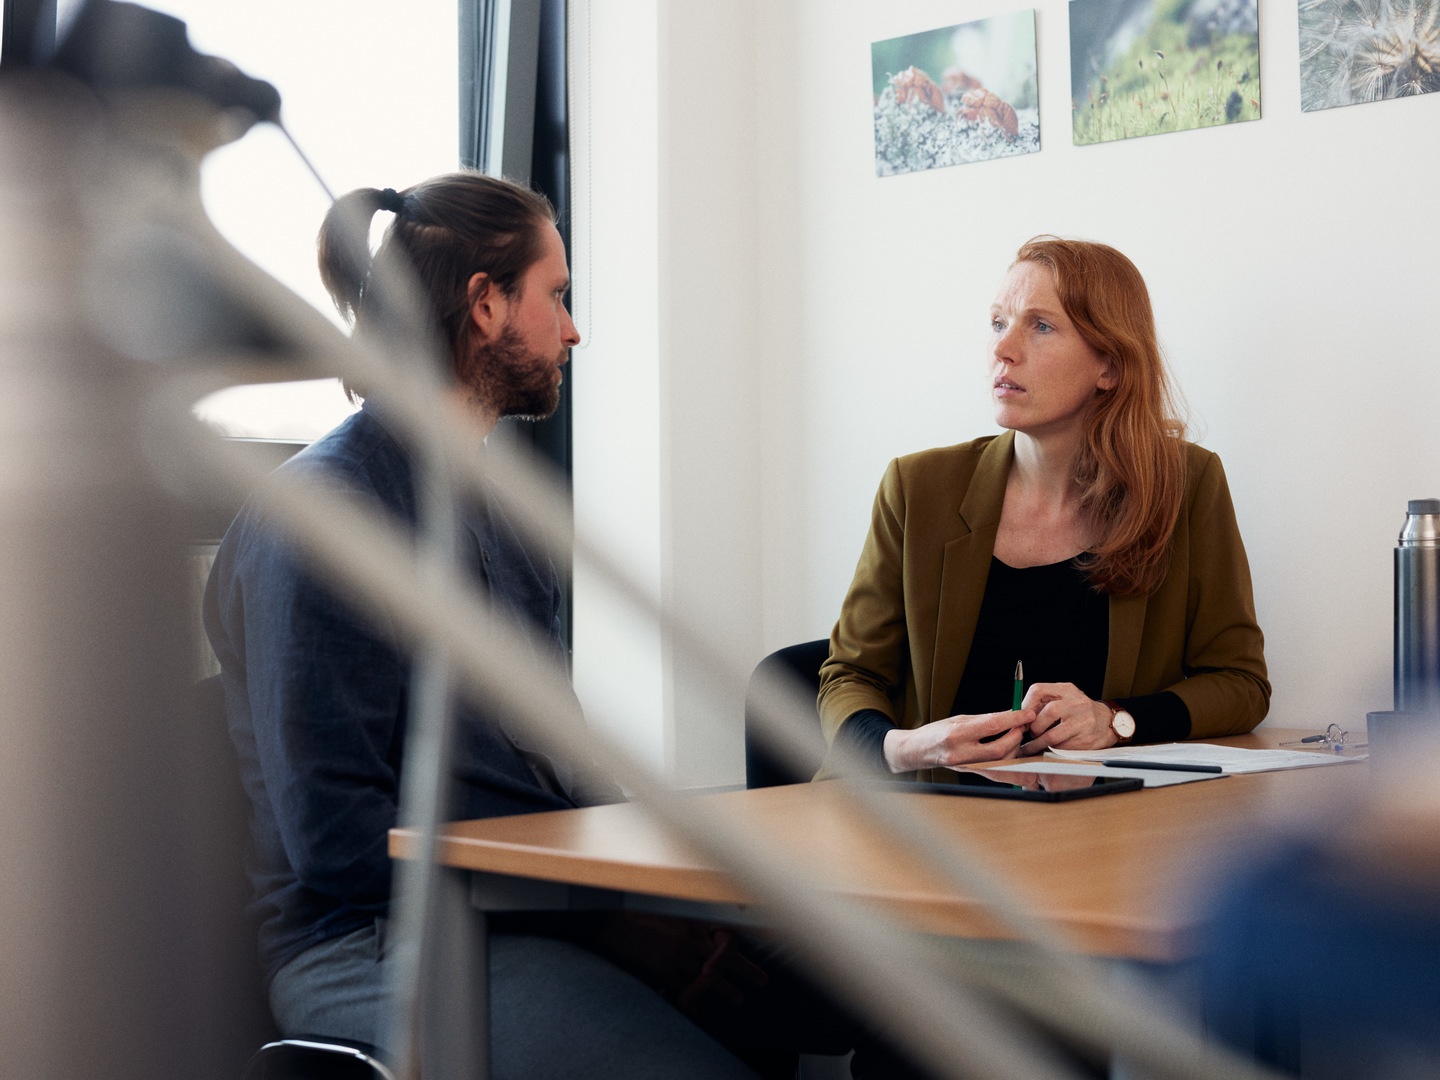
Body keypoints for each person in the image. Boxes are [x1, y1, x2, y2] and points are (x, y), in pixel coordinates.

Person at [203, 172, 763, 1079]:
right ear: (487, 304)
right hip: (376, 942)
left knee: (829, 979)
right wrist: (614, 922)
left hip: (525, 907)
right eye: (558, 296)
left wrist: (663, 892)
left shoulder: (502, 515)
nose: (573, 328)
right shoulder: (324, 521)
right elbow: (340, 842)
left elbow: (558, 764)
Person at [818, 237, 1269, 781]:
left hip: (1101, 831)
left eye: (1040, 326)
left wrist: (1116, 719)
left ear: (1109, 364)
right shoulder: (917, 488)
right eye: (997, 323)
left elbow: (1240, 683)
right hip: (929, 820)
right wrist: (908, 746)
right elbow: (848, 675)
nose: (1003, 349)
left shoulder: (1187, 484)